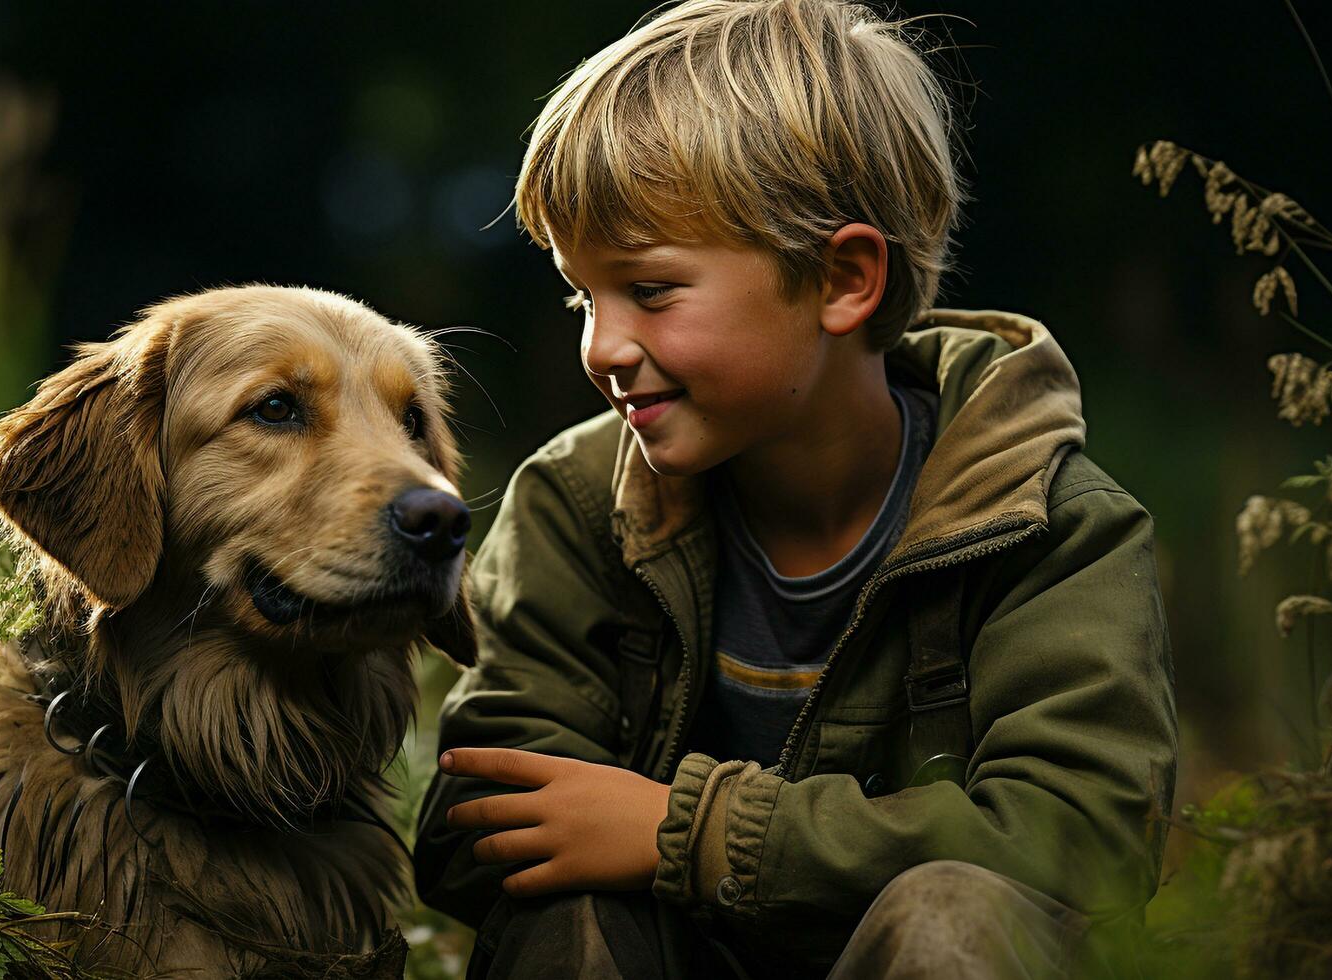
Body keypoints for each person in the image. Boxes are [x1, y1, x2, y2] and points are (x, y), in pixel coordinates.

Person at [411, 1, 1178, 976]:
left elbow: (1083, 837)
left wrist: (687, 831)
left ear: (840, 278)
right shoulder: (574, 504)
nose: (600, 347)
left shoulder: (1045, 526)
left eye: (648, 289)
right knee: (564, 904)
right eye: (580, 295)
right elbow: (478, 818)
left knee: (952, 912)